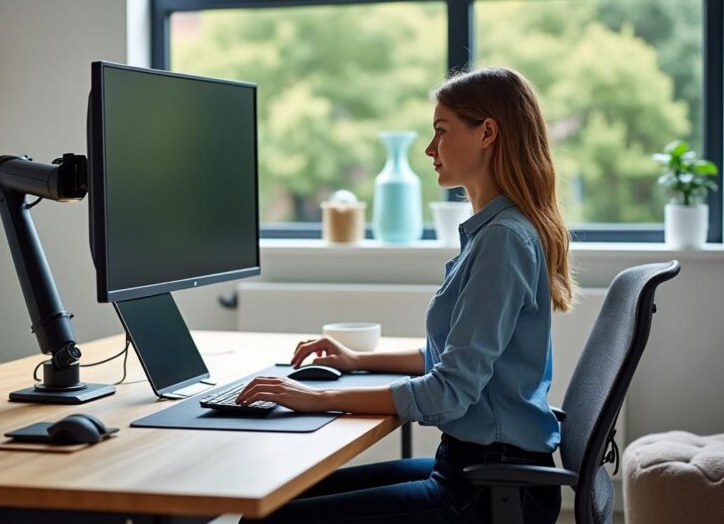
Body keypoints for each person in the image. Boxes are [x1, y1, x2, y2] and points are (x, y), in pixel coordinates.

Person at [237, 67, 575, 524]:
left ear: (487, 133)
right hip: (475, 469)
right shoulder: (492, 233)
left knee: (275, 518)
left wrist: (317, 399)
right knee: (278, 500)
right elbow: (454, 356)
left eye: (441, 131)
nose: (430, 149)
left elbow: (449, 393)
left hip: (489, 489)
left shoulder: (503, 239)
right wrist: (356, 362)